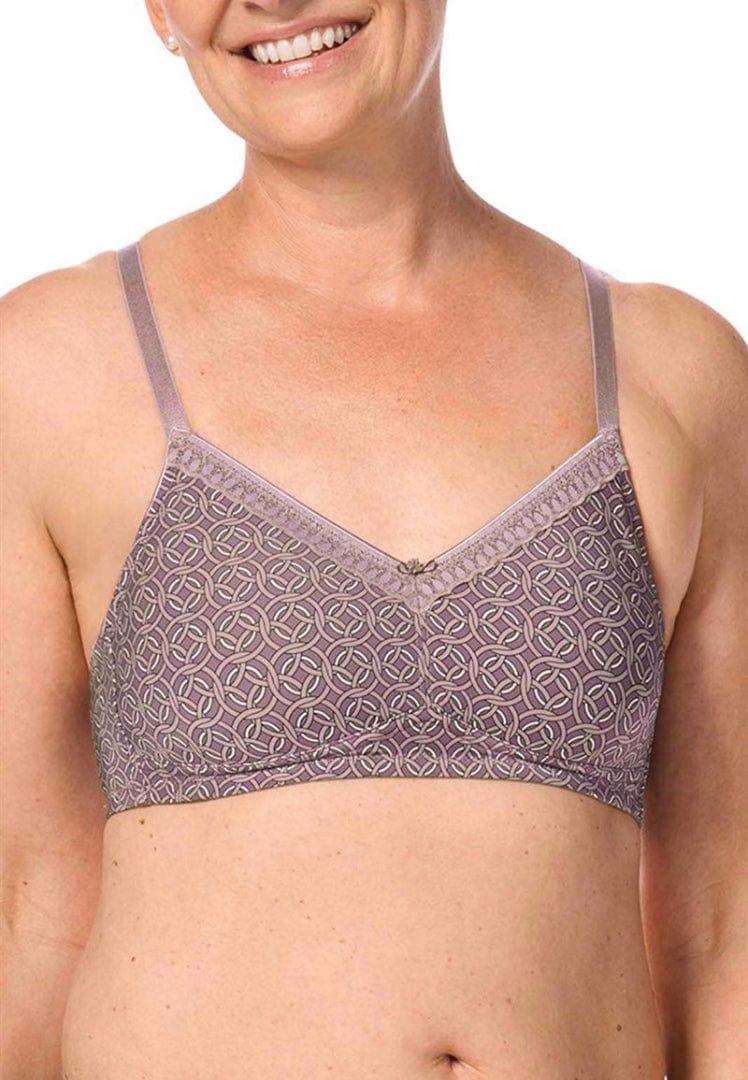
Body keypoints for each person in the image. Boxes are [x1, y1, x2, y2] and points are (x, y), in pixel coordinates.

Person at [1, 3, 746, 1078]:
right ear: (160, 12)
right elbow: (25, 913)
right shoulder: (52, 370)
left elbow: (720, 932)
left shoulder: (677, 376)